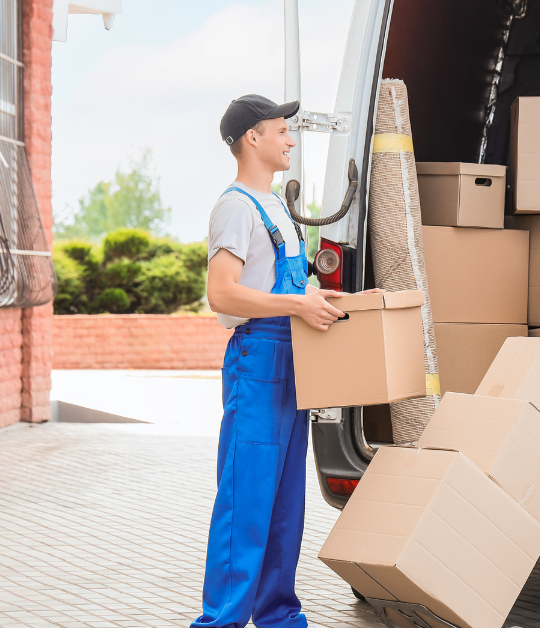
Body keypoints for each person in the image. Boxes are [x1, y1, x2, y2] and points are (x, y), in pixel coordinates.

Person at [192, 94, 367, 628]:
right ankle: (219, 621)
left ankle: (276, 617)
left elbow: (273, 283)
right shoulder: (236, 208)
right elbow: (222, 295)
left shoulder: (273, 207)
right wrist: (296, 304)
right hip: (257, 363)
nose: (290, 139)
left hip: (292, 362)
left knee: (286, 505)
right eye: (281, 130)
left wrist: (315, 297)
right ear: (253, 138)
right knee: (246, 500)